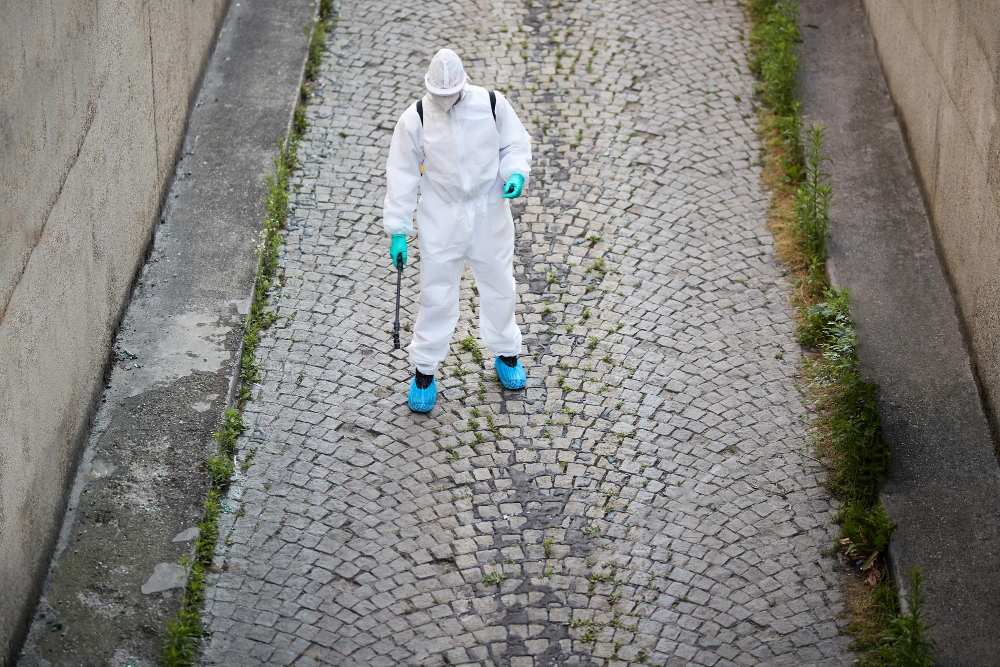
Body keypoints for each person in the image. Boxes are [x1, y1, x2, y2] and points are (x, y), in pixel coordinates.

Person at [382, 48, 532, 413]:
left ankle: (507, 352)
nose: (445, 102)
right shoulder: (415, 118)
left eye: (451, 96)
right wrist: (399, 229)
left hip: (488, 212)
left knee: (499, 284)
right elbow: (401, 174)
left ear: (463, 87)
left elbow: (515, 142)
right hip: (441, 218)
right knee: (436, 294)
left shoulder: (492, 104)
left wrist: (514, 171)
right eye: (439, 96)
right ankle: (425, 370)